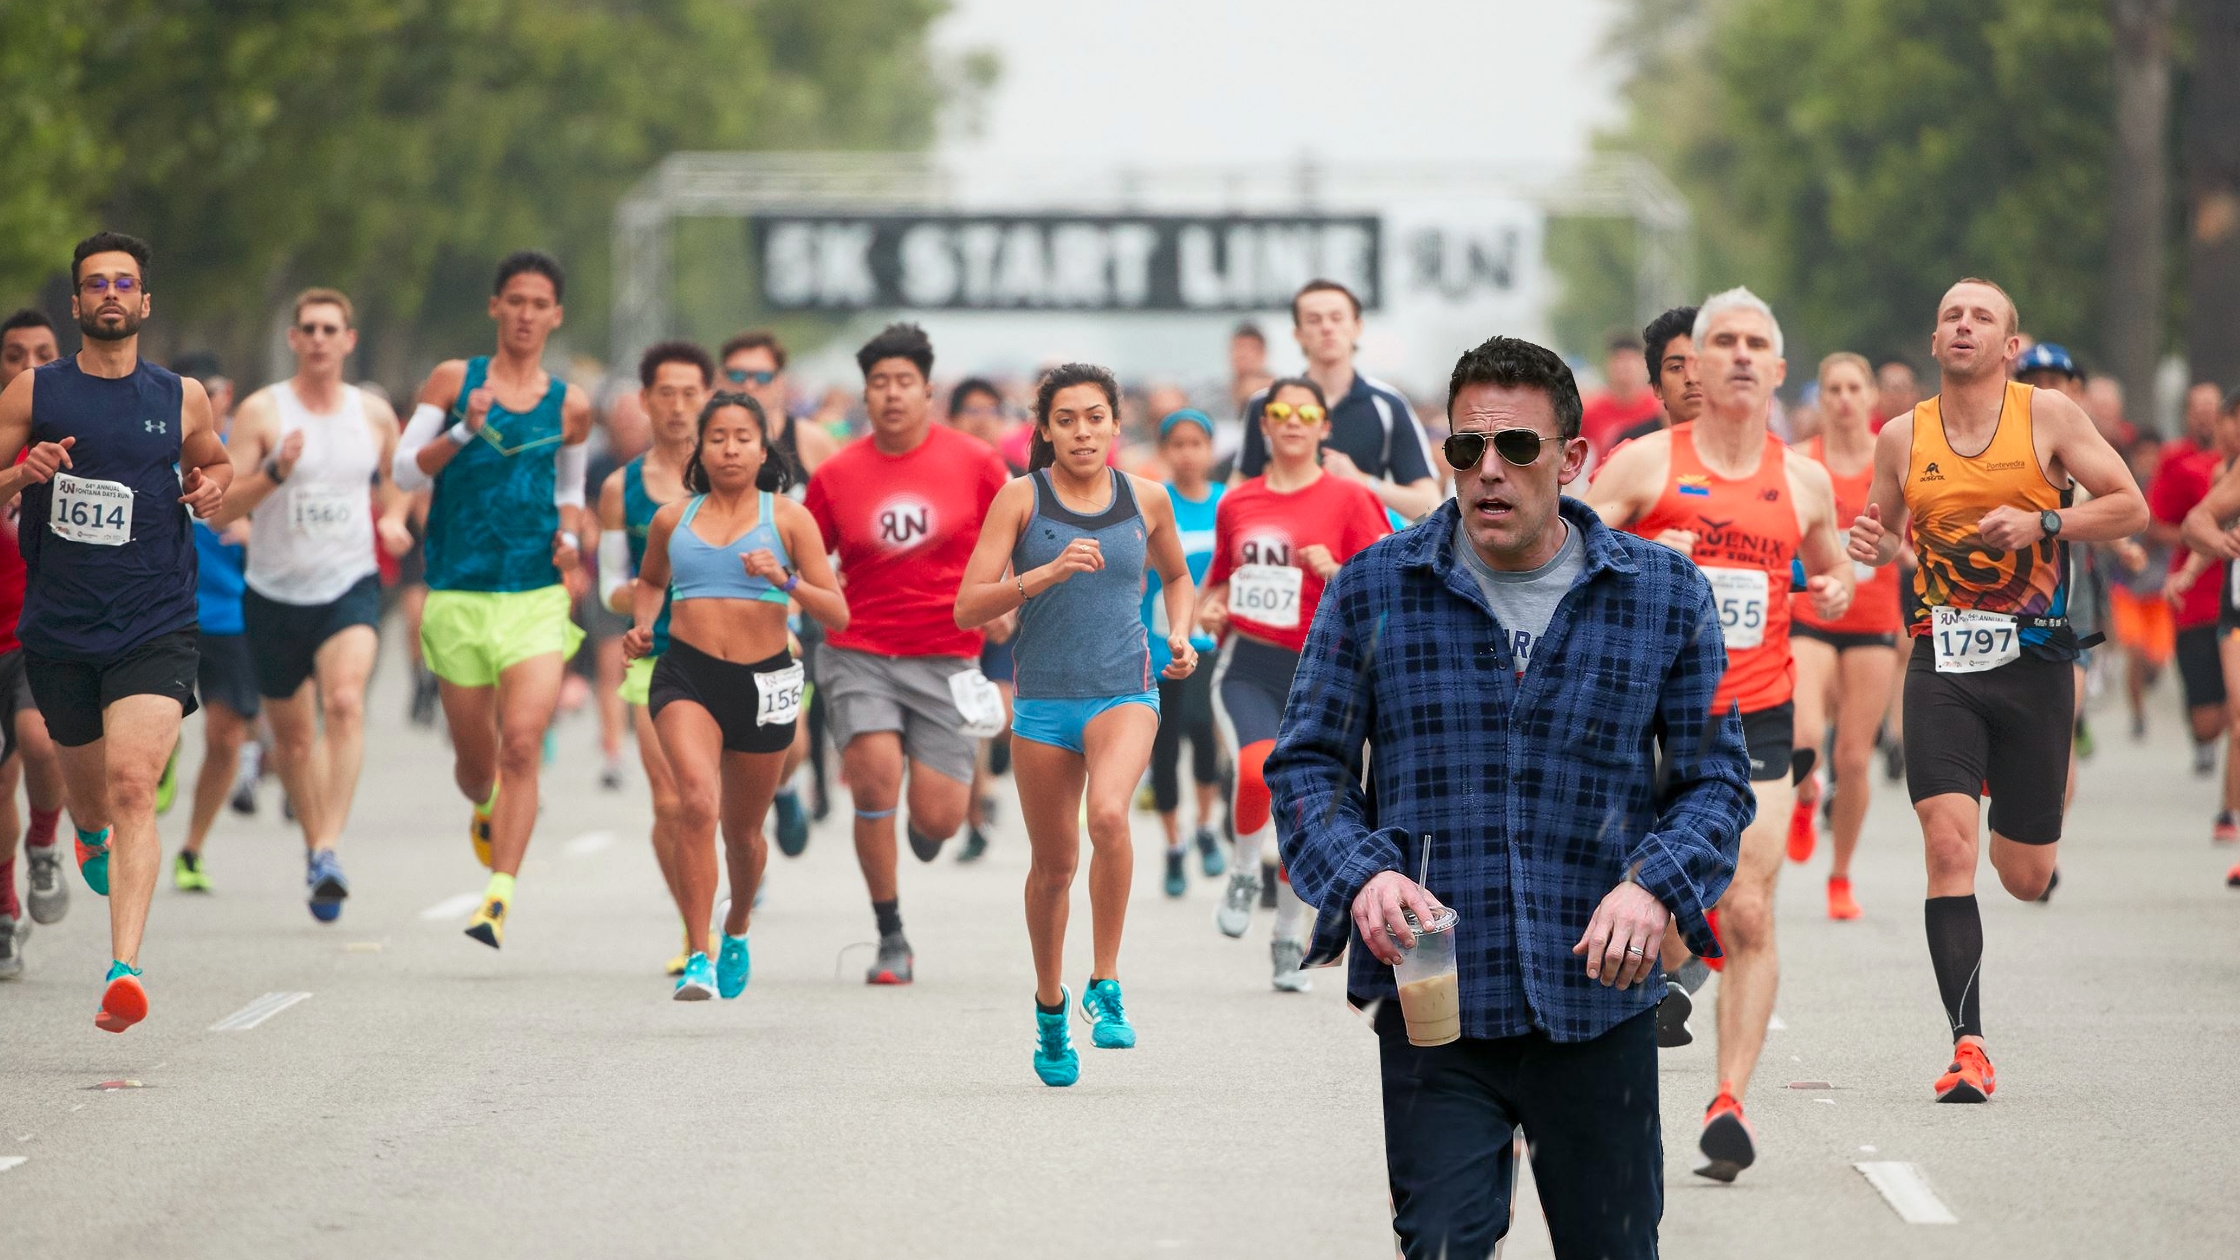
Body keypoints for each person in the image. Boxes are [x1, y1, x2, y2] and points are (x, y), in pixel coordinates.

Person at [1271, 334, 1750, 1260]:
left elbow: (1715, 782)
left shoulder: (1662, 594)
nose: (1488, 471)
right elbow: (1307, 771)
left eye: (1518, 449)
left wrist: (1652, 886)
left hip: (1597, 1002)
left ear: (1572, 460)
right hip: (1435, 998)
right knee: (1444, 1244)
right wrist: (1364, 878)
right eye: (1465, 449)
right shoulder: (1376, 589)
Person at [1849, 277, 2148, 1103]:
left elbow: (2130, 506)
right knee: (1948, 847)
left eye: (1982, 317)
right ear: (1936, 338)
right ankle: (1968, 1045)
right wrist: (1867, 540)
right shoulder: (1900, 436)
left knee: (2022, 873)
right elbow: (1876, 542)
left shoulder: (2048, 418)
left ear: (2010, 345)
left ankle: (2019, 828)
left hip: (2035, 666)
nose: (1964, 325)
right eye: (1951, 314)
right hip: (1941, 661)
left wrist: (2048, 521)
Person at [1585, 287, 1853, 1180]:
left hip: (1757, 716)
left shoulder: (1804, 479)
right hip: (1648, 713)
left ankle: (1728, 1100)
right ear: (1692, 365)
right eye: (1723, 342)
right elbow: (1564, 549)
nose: (1740, 355)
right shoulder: (1645, 466)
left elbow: (1831, 568)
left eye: (1756, 344)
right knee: (1644, 893)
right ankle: (1652, 980)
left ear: (1779, 369)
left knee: (1747, 905)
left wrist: (1847, 582)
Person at [0, 231, 234, 1031]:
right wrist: (19, 474)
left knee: (138, 784)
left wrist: (209, 488)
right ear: (75, 303)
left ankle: (124, 967)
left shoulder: (180, 396)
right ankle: (87, 834)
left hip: (155, 618)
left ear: (143, 303)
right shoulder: (35, 393)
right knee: (92, 797)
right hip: (61, 626)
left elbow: (214, 464)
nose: (109, 293)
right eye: (94, 283)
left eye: (123, 282)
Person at [955, 363, 1198, 1085]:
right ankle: (1051, 1005)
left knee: (1110, 818)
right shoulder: (1019, 500)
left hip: (1125, 690)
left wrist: (1179, 634)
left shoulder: (1146, 498)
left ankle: (1106, 981)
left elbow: (1177, 576)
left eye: (1095, 417)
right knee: (1053, 868)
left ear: (1117, 425)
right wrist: (1045, 575)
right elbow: (969, 606)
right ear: (1045, 430)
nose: (1083, 431)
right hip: (1043, 706)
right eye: (1067, 420)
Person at [391, 250, 593, 949]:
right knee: (477, 768)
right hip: (457, 593)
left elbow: (569, 491)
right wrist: (463, 428)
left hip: (534, 593)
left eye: (540, 304)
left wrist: (570, 535)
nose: (527, 314)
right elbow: (401, 471)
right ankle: (485, 809)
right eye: (516, 301)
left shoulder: (571, 405)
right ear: (495, 307)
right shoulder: (455, 380)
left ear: (556, 315)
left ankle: (497, 895)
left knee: (523, 743)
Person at [802, 323, 1010, 984]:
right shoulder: (836, 475)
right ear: (865, 394)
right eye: (879, 384)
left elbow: (1011, 541)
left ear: (928, 391)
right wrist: (810, 587)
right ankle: (890, 933)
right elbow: (807, 556)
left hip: (948, 654)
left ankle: (927, 831)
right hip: (859, 649)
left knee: (940, 819)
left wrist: (1005, 602)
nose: (891, 395)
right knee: (873, 778)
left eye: (905, 383)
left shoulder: (976, 465)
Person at [625, 391, 847, 1000]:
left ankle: (737, 925)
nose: (729, 448)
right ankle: (698, 953)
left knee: (744, 834)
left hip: (766, 681)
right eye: (717, 436)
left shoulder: (789, 520)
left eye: (742, 437)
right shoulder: (675, 519)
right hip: (686, 676)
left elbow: (838, 613)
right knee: (696, 802)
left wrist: (786, 579)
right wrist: (643, 626)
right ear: (700, 446)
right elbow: (648, 581)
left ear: (762, 448)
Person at [206, 288, 407, 921]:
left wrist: (396, 518)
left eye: (331, 329)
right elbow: (224, 508)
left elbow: (397, 476)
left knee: (345, 701)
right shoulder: (265, 412)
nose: (319, 339)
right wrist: (276, 474)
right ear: (293, 340)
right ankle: (314, 849)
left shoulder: (372, 414)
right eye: (308, 329)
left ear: (349, 340)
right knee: (293, 744)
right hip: (272, 593)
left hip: (349, 583)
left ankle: (327, 849)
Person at [1202, 375, 1391, 989]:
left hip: (1327, 670)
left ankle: (1289, 936)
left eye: (1305, 413)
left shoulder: (1349, 498)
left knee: (1309, 813)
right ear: (1264, 424)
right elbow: (1219, 581)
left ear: (1323, 426)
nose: (1292, 422)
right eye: (1279, 411)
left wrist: (1336, 572)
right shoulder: (1239, 501)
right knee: (1258, 770)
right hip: (1251, 663)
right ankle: (1240, 870)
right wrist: (1211, 608)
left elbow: (1386, 589)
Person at [598, 341, 712, 975]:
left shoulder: (734, 479)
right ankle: (695, 930)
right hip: (659, 657)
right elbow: (613, 582)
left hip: (736, 657)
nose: (677, 406)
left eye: (690, 393)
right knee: (672, 803)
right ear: (644, 401)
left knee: (731, 807)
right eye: (664, 394)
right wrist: (653, 589)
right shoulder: (621, 489)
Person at [1789, 353, 1906, 920]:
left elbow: (1918, 527)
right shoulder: (1799, 461)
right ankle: (1807, 794)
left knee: (1855, 759)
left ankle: (1840, 876)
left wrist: (1902, 548)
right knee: (1806, 734)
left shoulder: (1893, 456)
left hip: (1873, 620)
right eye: (1831, 387)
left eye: (1852, 388)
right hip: (1810, 615)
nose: (1841, 398)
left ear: (1869, 398)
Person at [721, 330, 837, 852]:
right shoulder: (708, 444)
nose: (749, 385)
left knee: (786, 733)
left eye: (761, 376)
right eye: (738, 376)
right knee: (725, 735)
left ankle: (786, 787)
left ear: (780, 383)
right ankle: (744, 849)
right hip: (723, 604)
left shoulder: (809, 442)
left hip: (795, 604)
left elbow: (840, 521)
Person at [1236, 280, 1440, 521]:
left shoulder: (1388, 405)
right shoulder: (1266, 404)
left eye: (1336, 318)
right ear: (1298, 333)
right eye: (1314, 320)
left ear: (1357, 327)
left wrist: (1362, 481)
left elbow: (1430, 506)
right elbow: (1237, 494)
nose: (1327, 328)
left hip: (1363, 553)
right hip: (1283, 550)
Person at [168, 356, 259, 895]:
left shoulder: (241, 452)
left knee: (226, 738)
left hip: (230, 614)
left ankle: (193, 848)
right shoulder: (150, 446)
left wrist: (251, 526)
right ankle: (162, 764)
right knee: (157, 727)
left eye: (217, 390)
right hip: (165, 610)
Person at [0, 310, 68, 982]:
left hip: (38, 629)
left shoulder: (82, 431)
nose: (28, 366)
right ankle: (3, 910)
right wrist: (22, 476)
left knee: (41, 741)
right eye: (14, 354)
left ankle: (45, 842)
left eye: (42, 353)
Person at [1143, 409, 1227, 895]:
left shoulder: (1226, 503)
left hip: (1209, 641)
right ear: (1165, 450)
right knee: (1165, 746)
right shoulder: (1154, 502)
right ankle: (1174, 847)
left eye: (1197, 443)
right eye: (1177, 443)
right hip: (1158, 644)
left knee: (1202, 731)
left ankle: (1205, 828)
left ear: (1210, 449)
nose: (1188, 453)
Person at [946, 376, 1019, 862]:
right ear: (952, 418)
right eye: (970, 408)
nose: (980, 417)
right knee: (971, 715)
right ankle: (976, 812)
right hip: (952, 612)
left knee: (999, 715)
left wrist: (1009, 602)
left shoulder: (1018, 478)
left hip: (1005, 611)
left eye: (990, 409)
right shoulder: (941, 476)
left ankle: (990, 779)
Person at [2151, 382, 2232, 793]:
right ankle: (2205, 739)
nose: (2206, 416)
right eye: (2197, 408)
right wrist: (2199, 544)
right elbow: (2158, 523)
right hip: (2196, 598)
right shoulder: (2178, 461)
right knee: (2207, 719)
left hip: (2233, 600)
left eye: (2214, 409)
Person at [2174, 387, 2240, 886]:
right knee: (2233, 719)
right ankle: (2229, 814)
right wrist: (2207, 556)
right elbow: (2200, 522)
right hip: (2232, 616)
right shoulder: (2228, 474)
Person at [1611, 306, 1702, 449]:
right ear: (1657, 387)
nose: (1691, 378)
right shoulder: (1632, 453)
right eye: (1676, 367)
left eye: (1701, 364)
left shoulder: (1748, 454)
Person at [1580, 330, 1663, 459]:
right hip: (1606, 475)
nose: (1624, 367)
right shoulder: (1590, 411)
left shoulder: (1660, 408)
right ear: (1608, 365)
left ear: (1644, 365)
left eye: (1630, 360)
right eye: (1618, 360)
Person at [1874, 358, 1921, 429]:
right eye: (1889, 388)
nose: (1896, 397)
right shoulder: (1865, 430)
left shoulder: (1927, 427)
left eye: (1904, 387)